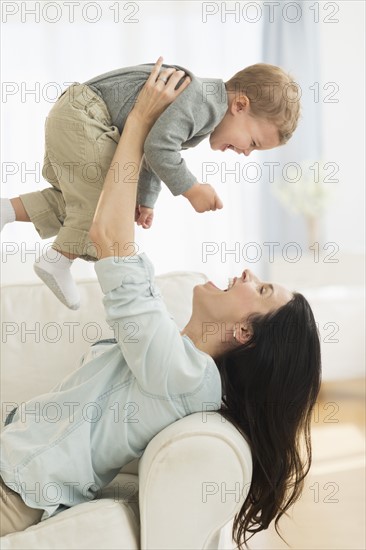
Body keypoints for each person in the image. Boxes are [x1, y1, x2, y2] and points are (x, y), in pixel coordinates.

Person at [0, 59, 320, 548]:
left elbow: (110, 238)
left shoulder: (186, 377)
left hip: (13, 486)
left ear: (245, 332)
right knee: (80, 195)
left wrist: (141, 120)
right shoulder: (176, 353)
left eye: (260, 290)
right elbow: (120, 238)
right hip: (11, 459)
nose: (248, 273)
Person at [0, 61, 300, 310]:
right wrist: (191, 189)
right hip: (85, 117)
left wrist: (147, 199)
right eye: (254, 143)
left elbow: (153, 148)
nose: (246, 152)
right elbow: (159, 148)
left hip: (80, 116)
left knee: (81, 202)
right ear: (240, 105)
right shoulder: (204, 102)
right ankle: (58, 259)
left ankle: (7, 210)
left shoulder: (204, 107)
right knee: (103, 203)